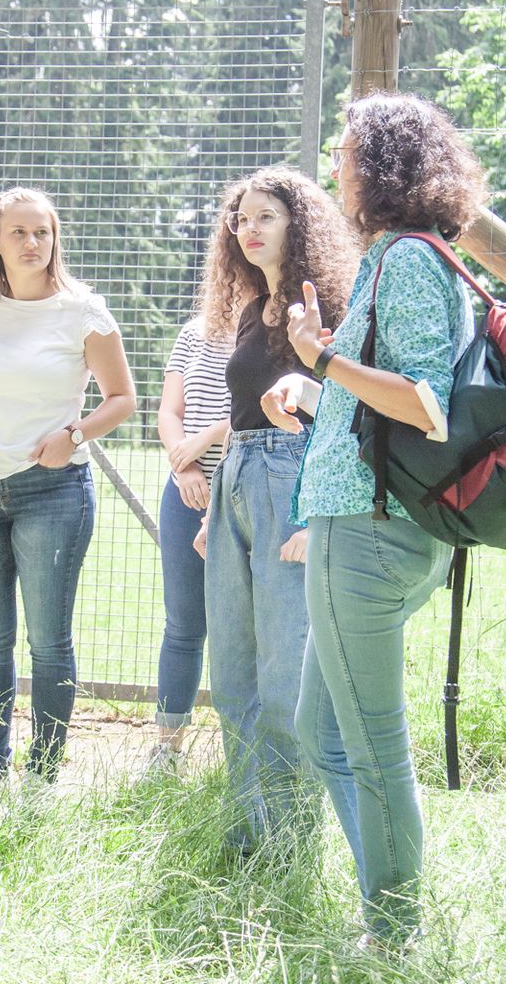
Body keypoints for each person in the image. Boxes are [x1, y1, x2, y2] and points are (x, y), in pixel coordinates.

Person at [269, 94, 489, 949]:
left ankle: (396, 932)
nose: (336, 164)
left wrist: (320, 356)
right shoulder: (409, 259)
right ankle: (390, 904)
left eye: (347, 149)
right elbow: (386, 404)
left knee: (371, 743)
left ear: (384, 165)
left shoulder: (403, 261)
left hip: (367, 531)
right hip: (374, 518)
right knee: (325, 730)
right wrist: (318, 388)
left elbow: (426, 405)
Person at [0, 187, 136, 782]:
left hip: (52, 492)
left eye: (43, 233)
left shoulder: (83, 311)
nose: (33, 243)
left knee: (48, 642)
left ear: (55, 240)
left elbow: (123, 399)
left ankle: (42, 775)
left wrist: (74, 437)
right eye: (20, 233)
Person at [193, 168, 356, 846]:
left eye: (266, 217)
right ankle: (247, 832)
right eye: (241, 219)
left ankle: (291, 839)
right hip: (235, 483)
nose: (249, 229)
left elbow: (346, 416)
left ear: (300, 225)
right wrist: (212, 512)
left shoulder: (322, 309)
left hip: (294, 482)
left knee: (286, 679)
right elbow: (240, 413)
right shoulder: (245, 313)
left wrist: (319, 518)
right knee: (231, 671)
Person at [144, 312, 232, 774]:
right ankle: (167, 752)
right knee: (182, 627)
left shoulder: (274, 322)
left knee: (244, 632)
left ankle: (248, 755)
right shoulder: (194, 332)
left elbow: (263, 408)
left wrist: (205, 440)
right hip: (185, 491)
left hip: (245, 486)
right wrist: (184, 467)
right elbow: (168, 411)